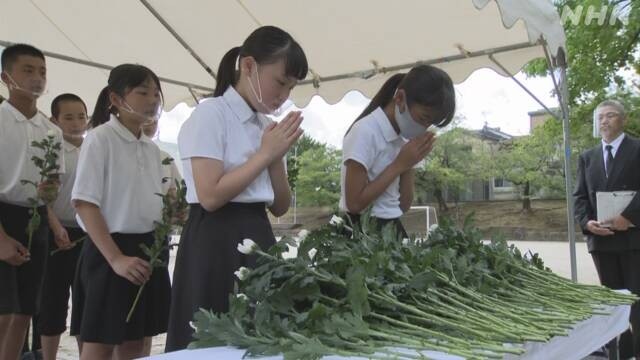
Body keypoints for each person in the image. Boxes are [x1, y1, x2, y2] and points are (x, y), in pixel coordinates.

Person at [166, 25, 308, 351]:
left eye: (291, 87)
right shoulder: (210, 115)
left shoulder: (265, 126)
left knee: (256, 335)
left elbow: (280, 206)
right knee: (209, 338)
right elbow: (211, 196)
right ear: (248, 66)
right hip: (214, 237)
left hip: (258, 233)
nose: (284, 95)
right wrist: (265, 154)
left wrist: (274, 159)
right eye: (281, 82)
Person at [70, 64, 170, 360]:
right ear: (115, 99)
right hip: (109, 250)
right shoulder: (100, 139)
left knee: (135, 343)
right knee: (99, 342)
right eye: (142, 93)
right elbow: (85, 203)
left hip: (147, 248)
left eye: (156, 94)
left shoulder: (152, 150)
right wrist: (115, 259)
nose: (152, 100)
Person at [0, 43, 64, 360]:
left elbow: (53, 185)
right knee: (3, 312)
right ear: (5, 77)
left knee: (24, 311)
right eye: (28, 70)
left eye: (42, 71)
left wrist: (49, 191)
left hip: (34, 218)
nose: (37, 78)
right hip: (2, 218)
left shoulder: (51, 131)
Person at [340, 65, 455, 238]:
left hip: (391, 227)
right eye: (423, 118)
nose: (424, 128)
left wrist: (409, 163)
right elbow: (354, 203)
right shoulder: (365, 131)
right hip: (360, 229)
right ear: (400, 98)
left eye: (430, 124)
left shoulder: (406, 137)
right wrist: (400, 165)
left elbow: (403, 205)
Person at [574, 99, 640, 357]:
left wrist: (630, 217)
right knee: (613, 303)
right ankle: (618, 354)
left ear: (623, 119)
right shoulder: (587, 157)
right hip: (601, 241)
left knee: (636, 302)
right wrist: (586, 222)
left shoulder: (637, 149)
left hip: (634, 238)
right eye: (600, 117)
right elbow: (579, 197)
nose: (604, 121)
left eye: (610, 115)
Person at [32, 94, 88, 360]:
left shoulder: (92, 149)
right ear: (54, 120)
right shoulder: (50, 151)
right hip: (54, 231)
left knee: (85, 301)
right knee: (52, 301)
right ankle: (47, 356)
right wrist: (55, 228)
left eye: (81, 116)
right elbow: (43, 196)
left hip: (87, 234)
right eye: (68, 117)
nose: (76, 123)